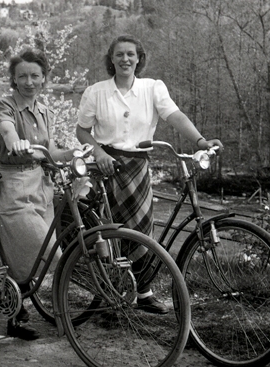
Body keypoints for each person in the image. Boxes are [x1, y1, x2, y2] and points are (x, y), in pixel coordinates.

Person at [76, 34, 223, 314]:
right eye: (119, 54)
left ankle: (143, 292)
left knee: (143, 229)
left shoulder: (152, 88)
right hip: (107, 167)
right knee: (111, 231)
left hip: (138, 167)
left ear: (139, 59)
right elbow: (82, 130)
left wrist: (200, 141)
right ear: (111, 59)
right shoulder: (96, 92)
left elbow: (175, 116)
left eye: (130, 54)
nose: (125, 59)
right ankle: (112, 291)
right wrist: (98, 153)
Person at [0, 49, 77, 340]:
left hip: (41, 186)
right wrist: (15, 142)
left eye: (35, 76)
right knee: (46, 249)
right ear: (14, 79)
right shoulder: (5, 104)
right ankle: (24, 309)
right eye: (23, 76)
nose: (29, 82)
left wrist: (73, 153)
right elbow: (6, 129)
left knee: (36, 254)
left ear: (43, 79)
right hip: (14, 184)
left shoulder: (44, 111)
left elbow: (49, 151)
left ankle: (15, 313)